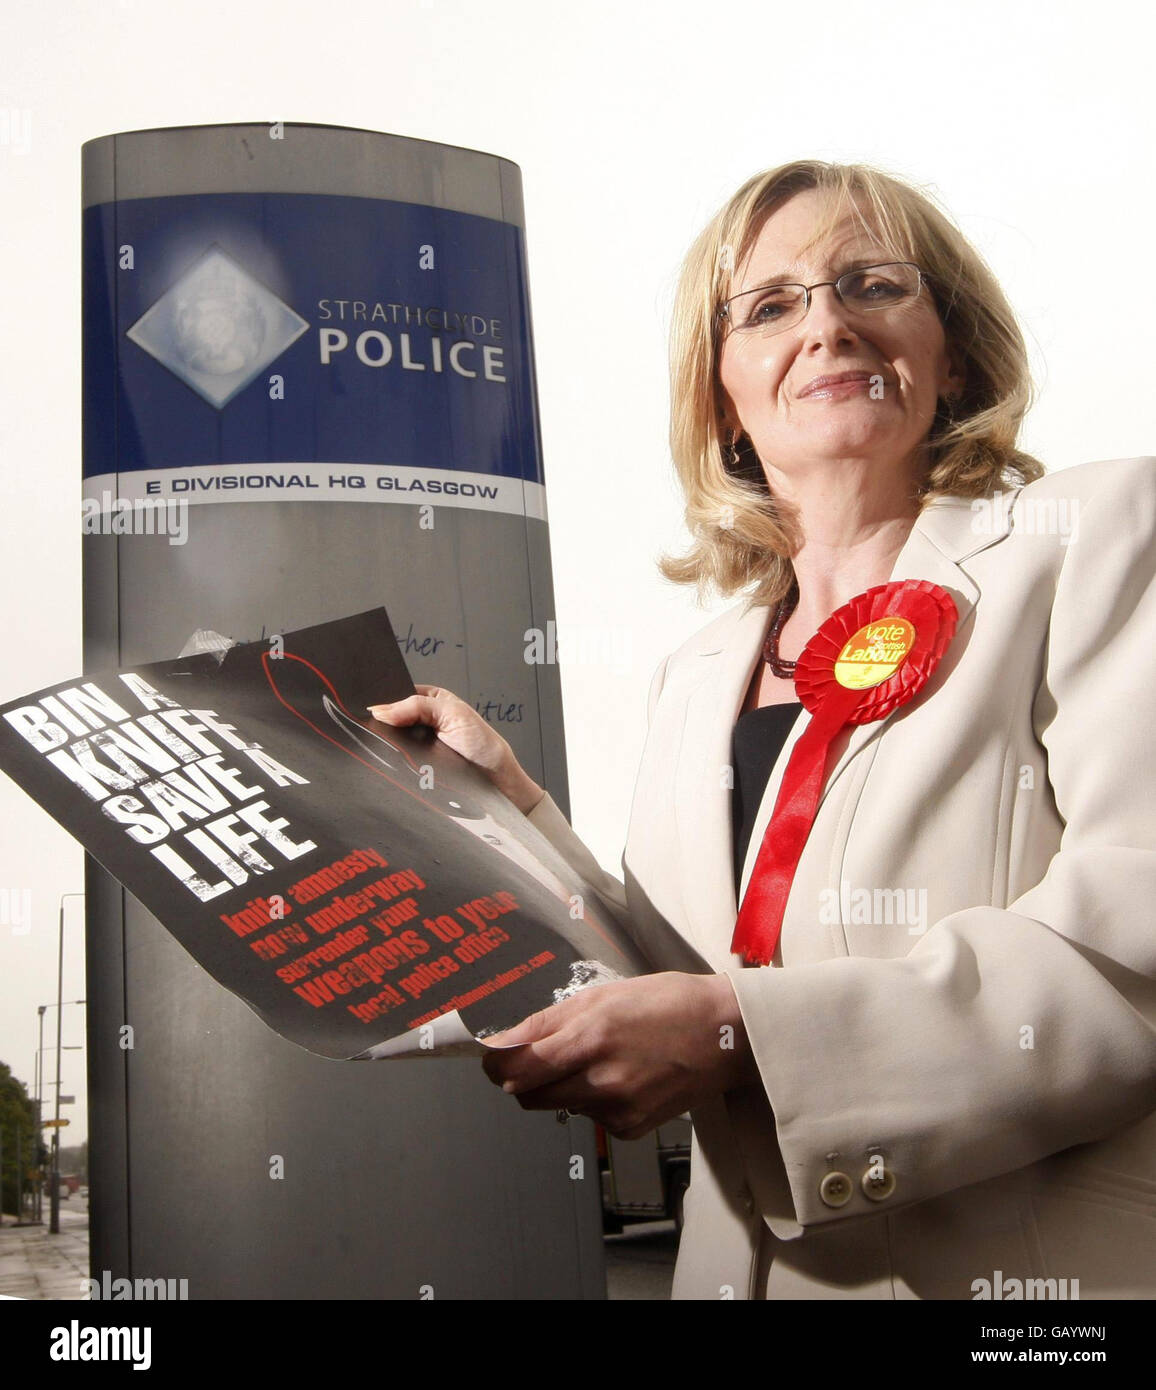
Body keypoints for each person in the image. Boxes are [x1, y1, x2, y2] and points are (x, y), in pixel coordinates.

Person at [369, 159, 1156, 1300]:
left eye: (871, 284)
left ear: (954, 350)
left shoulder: (1097, 537)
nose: (826, 326)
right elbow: (674, 971)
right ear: (721, 393)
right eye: (772, 305)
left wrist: (741, 1035)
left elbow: (1128, 952)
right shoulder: (694, 675)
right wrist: (511, 808)